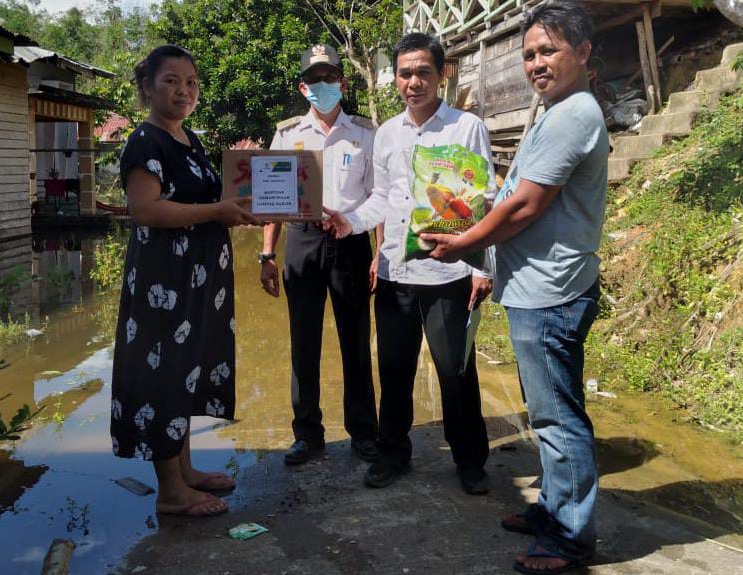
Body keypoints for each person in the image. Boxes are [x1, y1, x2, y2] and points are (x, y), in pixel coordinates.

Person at [420, 2, 608, 573]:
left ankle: (570, 538)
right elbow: (512, 191)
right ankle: (552, 507)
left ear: (582, 51)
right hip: (536, 286)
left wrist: (463, 242)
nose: (535, 63)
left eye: (547, 50)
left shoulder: (573, 113)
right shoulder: (553, 112)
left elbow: (525, 205)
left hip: (551, 291)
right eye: (528, 54)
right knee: (546, 409)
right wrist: (474, 212)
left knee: (558, 418)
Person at [323, 33, 495, 495]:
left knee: (455, 371)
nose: (413, 82)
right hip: (397, 272)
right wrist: (350, 223)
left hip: (449, 272)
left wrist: (482, 267)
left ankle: (469, 460)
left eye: (423, 71)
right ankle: (392, 452)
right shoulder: (387, 134)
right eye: (405, 73)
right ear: (394, 80)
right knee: (394, 369)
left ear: (442, 74)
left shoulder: (466, 128)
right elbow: (382, 198)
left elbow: (484, 203)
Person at [110, 45, 258, 518]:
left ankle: (186, 471)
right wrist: (218, 210)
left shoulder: (187, 138)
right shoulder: (145, 142)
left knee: (186, 372)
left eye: (191, 82)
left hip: (197, 282)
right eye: (171, 80)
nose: (183, 90)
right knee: (162, 376)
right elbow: (145, 209)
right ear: (148, 87)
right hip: (164, 286)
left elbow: (215, 196)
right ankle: (171, 492)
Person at [259, 44, 379, 465]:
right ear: (302, 87)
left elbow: (377, 198)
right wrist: (267, 254)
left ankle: (364, 431)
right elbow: (272, 197)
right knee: (303, 341)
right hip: (302, 241)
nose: (323, 85)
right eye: (314, 79)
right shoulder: (287, 134)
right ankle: (307, 434)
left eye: (330, 78)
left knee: (356, 341)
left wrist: (379, 257)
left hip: (351, 243)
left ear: (343, 83)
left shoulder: (365, 133)